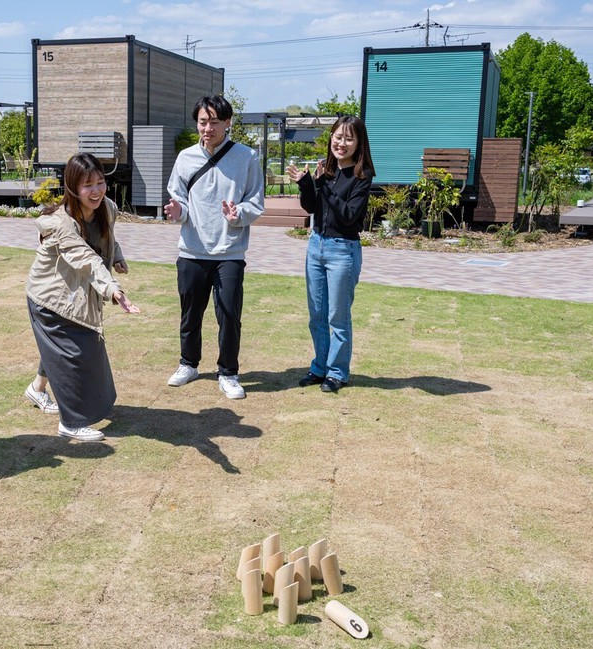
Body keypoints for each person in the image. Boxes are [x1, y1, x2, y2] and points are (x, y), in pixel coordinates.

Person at [25, 153, 140, 442]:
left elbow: (107, 236)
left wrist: (117, 257)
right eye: (88, 185)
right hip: (50, 298)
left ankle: (37, 389)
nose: (96, 190)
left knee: (60, 349)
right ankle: (71, 422)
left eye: (100, 182)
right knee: (77, 352)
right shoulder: (63, 223)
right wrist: (113, 290)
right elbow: (85, 258)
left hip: (74, 291)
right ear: (73, 187)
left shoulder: (107, 207)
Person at [163, 95, 264, 400]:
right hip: (192, 251)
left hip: (229, 252)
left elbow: (256, 201)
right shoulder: (185, 158)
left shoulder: (246, 157)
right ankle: (188, 364)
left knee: (229, 314)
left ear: (228, 123)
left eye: (214, 122)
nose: (207, 128)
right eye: (203, 122)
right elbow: (178, 198)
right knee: (190, 313)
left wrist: (239, 215)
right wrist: (177, 212)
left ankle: (229, 372)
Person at [286, 115, 375, 394]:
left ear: (359, 143)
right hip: (316, 246)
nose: (341, 143)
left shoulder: (362, 176)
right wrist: (305, 183)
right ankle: (319, 367)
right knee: (317, 315)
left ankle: (337, 372)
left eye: (349, 138)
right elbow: (312, 206)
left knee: (338, 317)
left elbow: (349, 216)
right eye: (338, 137)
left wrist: (324, 185)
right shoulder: (327, 170)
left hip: (342, 250)